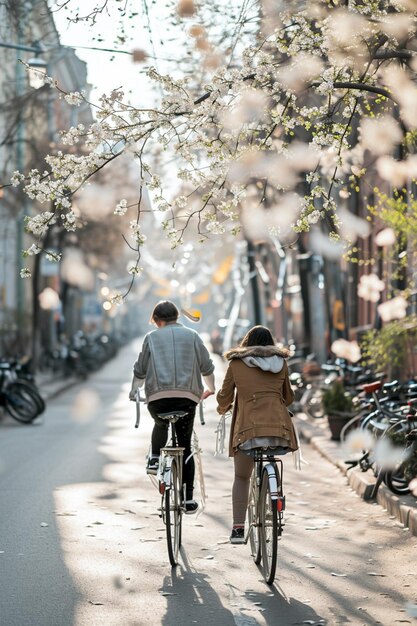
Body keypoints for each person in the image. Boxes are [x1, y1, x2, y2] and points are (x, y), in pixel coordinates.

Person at [129, 300, 215, 514]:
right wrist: (210, 389)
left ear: (157, 320)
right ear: (176, 317)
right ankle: (187, 499)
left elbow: (140, 370)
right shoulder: (193, 336)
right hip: (187, 399)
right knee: (185, 446)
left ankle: (156, 457)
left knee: (160, 423)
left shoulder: (151, 338)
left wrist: (134, 391)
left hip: (158, 399)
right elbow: (207, 367)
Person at [216, 325, 298, 543]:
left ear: (246, 342)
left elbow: (224, 396)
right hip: (279, 430)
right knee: (271, 459)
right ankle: (274, 500)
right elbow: (288, 397)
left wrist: (223, 407)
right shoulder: (281, 362)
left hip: (247, 431)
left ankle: (237, 529)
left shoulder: (236, 363)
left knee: (241, 477)